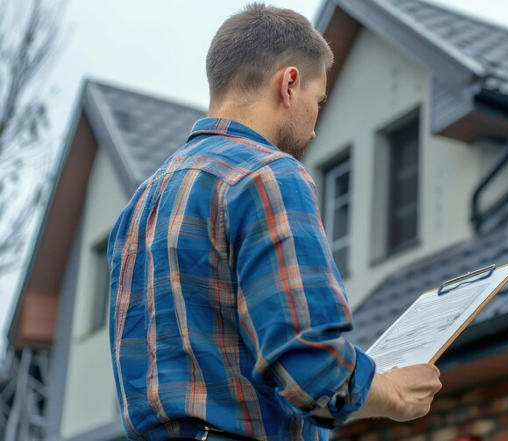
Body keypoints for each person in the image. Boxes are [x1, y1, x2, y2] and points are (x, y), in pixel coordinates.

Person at [106, 4, 442, 440]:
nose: (316, 127)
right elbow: (311, 368)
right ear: (289, 83)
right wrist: (392, 392)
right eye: (319, 101)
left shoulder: (134, 211)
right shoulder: (268, 175)